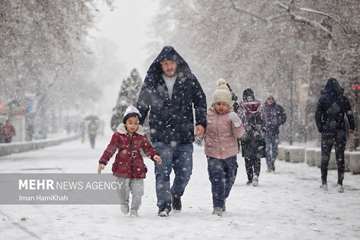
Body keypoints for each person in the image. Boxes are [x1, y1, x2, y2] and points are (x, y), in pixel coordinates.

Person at [137, 46, 207, 217]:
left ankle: (176, 193)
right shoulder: (152, 80)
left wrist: (201, 122)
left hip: (184, 135)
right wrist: (136, 125)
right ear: (160, 65)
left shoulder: (188, 79)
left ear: (177, 63)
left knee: (185, 172)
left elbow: (200, 101)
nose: (168, 67)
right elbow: (142, 105)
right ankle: (163, 205)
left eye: (171, 63)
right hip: (161, 134)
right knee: (162, 172)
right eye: (165, 64)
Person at [98, 106, 162, 216]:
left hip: (138, 169)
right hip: (121, 168)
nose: (133, 126)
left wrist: (154, 155)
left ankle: (134, 210)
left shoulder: (141, 136)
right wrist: (103, 162)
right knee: (122, 190)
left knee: (138, 192)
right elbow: (110, 149)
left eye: (136, 123)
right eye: (130, 122)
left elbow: (148, 148)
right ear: (125, 123)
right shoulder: (118, 136)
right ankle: (124, 202)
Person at [204, 79, 245, 216]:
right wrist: (198, 131)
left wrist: (237, 122)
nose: (221, 107)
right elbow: (201, 130)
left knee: (230, 177)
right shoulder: (208, 115)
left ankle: (222, 197)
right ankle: (218, 206)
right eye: (218, 104)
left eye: (224, 104)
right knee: (216, 179)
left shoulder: (231, 116)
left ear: (229, 105)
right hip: (213, 153)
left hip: (230, 153)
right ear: (214, 104)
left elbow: (239, 134)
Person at [315, 78, 355, 193]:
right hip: (340, 130)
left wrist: (321, 127)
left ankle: (324, 182)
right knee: (340, 157)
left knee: (325, 157)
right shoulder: (343, 99)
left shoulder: (323, 99)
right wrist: (352, 127)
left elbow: (317, 115)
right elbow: (349, 114)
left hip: (327, 131)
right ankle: (340, 183)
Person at [238, 88, 265, 187]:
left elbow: (239, 120)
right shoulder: (259, 105)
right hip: (257, 135)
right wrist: (261, 129)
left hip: (246, 136)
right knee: (257, 158)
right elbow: (263, 119)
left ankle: (250, 178)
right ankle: (256, 175)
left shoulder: (241, 106)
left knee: (247, 158)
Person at [262, 96, 287, 172]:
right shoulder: (263, 108)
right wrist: (262, 126)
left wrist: (279, 122)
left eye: (271, 99)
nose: (270, 101)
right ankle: (269, 165)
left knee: (275, 150)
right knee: (267, 149)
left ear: (273, 100)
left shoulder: (278, 108)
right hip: (266, 132)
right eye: (268, 99)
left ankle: (272, 162)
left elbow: (284, 116)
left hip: (275, 132)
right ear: (266, 100)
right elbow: (260, 118)